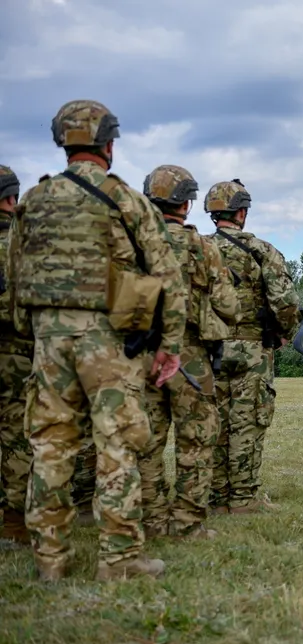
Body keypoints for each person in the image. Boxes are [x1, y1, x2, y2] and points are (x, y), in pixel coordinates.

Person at [7, 99, 187, 581]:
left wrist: (34, 335)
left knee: (50, 445)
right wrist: (169, 345)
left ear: (61, 142)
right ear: (109, 143)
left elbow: (15, 275)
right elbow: (167, 275)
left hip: (49, 339)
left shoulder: (34, 201)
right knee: (118, 445)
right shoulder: (125, 198)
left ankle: (50, 561)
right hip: (108, 341)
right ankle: (120, 560)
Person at [139, 165, 240, 539]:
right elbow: (229, 305)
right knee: (196, 440)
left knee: (146, 443)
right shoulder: (202, 247)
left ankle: (150, 522)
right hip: (191, 356)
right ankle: (187, 524)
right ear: (187, 203)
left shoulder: (134, 243)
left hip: (141, 354)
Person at [208, 180, 299, 514]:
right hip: (253, 348)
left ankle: (216, 498)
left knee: (214, 423)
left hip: (209, 350)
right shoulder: (263, 251)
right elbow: (285, 301)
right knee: (248, 421)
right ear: (242, 213)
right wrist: (285, 332)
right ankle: (243, 498)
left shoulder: (200, 249)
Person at [0, 165, 33, 546]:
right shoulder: (23, 243)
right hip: (18, 353)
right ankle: (14, 523)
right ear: (11, 198)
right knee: (18, 439)